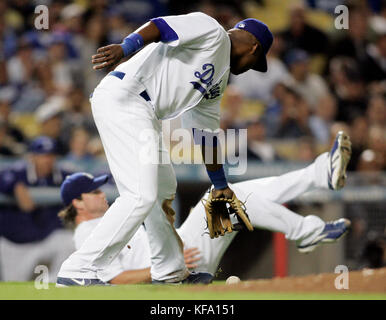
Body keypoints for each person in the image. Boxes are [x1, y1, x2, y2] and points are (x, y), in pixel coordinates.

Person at [56, 12, 275, 286]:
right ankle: (79, 269)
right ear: (254, 48)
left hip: (144, 111)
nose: (251, 68)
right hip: (125, 97)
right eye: (257, 62)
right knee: (140, 194)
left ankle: (170, 272)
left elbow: (204, 134)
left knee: (162, 189)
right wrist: (126, 47)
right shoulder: (212, 30)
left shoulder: (218, 81)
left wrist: (220, 185)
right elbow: (160, 26)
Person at [57, 131, 352, 285]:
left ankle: (319, 175)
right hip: (176, 275)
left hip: (186, 254)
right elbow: (113, 280)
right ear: (77, 203)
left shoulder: (109, 221)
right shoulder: (87, 233)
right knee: (223, 197)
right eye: (93, 191)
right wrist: (165, 266)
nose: (102, 194)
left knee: (234, 194)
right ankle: (307, 223)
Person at [0, 136, 74, 282]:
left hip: (45, 239)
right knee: (14, 287)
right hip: (15, 244)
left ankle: (56, 284)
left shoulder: (60, 176)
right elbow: (4, 176)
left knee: (69, 242)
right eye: (42, 156)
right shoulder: (18, 173)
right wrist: (15, 186)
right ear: (32, 157)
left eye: (51, 155)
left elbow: (83, 181)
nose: (47, 160)